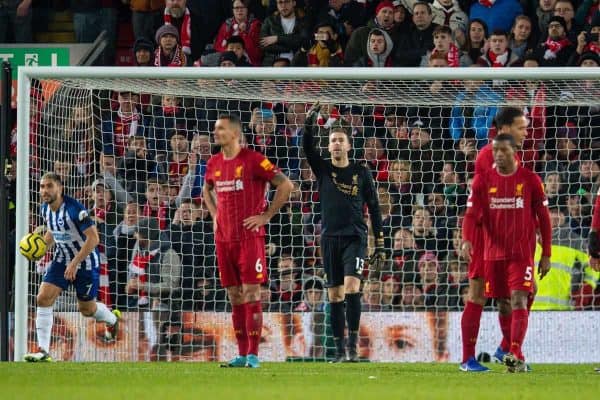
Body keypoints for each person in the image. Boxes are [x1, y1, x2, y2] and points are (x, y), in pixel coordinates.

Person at [203, 114, 293, 368]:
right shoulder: (214, 163)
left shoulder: (254, 160)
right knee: (234, 295)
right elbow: (206, 190)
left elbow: (286, 185)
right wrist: (215, 215)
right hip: (224, 239)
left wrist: (266, 216)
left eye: (220, 128)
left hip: (250, 238)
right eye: (215, 128)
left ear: (235, 133)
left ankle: (253, 355)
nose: (216, 132)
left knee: (252, 292)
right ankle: (241, 354)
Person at [462, 133, 552, 373]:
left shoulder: (530, 179)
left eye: (503, 150)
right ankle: (502, 354)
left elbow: (543, 216)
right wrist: (467, 240)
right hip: (490, 249)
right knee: (497, 301)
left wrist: (546, 253)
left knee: (521, 296)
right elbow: (471, 214)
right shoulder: (483, 177)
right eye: (495, 151)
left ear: (515, 151)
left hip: (520, 251)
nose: (498, 155)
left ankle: (513, 350)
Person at [303, 103, 385, 363]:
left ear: (349, 145)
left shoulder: (361, 173)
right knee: (335, 294)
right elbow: (307, 148)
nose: (337, 144)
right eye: (333, 140)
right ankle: (338, 350)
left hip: (355, 238)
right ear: (328, 146)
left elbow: (373, 207)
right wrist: (309, 123)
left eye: (341, 140)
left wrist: (379, 242)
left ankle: (352, 347)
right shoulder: (324, 170)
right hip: (329, 239)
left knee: (351, 288)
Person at [458, 107, 529, 372]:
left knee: (510, 297)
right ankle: (467, 359)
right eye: (521, 128)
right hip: (484, 236)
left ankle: (506, 349)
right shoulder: (489, 155)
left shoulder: (512, 155)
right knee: (477, 295)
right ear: (504, 129)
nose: (525, 132)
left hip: (505, 239)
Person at [24, 173, 120, 362]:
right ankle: (43, 350)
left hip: (85, 262)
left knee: (87, 309)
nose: (44, 190)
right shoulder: (45, 209)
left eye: (49, 186)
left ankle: (112, 319)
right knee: (43, 298)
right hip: (61, 259)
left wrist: (75, 263)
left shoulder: (76, 209)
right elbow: (53, 230)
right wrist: (42, 247)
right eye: (42, 186)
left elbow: (94, 239)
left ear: (60, 188)